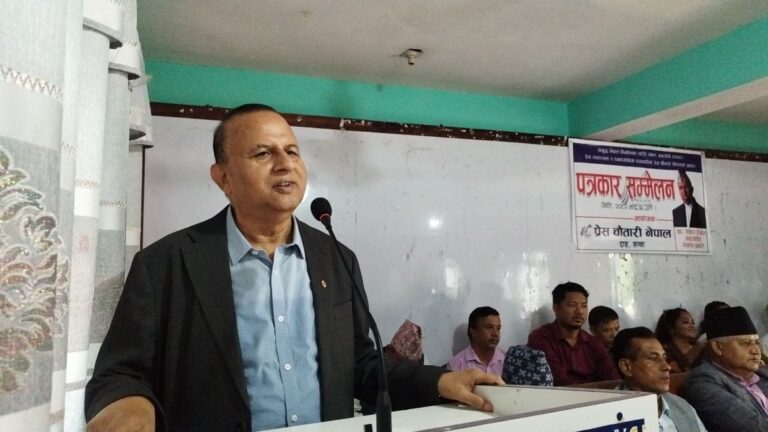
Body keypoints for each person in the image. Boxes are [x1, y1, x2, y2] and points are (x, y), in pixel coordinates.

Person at [84, 104, 503, 432]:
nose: (285, 164)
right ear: (224, 178)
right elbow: (120, 372)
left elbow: (361, 365)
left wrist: (438, 382)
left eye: (292, 151)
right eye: (263, 153)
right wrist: (127, 408)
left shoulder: (337, 258)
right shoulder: (166, 264)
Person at [680, 306, 768, 431]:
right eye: (745, 343)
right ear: (718, 347)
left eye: (757, 343)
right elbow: (752, 427)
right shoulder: (701, 383)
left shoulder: (762, 374)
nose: (755, 351)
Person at [612, 327, 707, 431]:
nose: (667, 367)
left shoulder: (681, 405)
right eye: (653, 358)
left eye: (664, 358)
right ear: (626, 367)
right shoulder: (609, 416)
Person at [527, 282, 619, 385]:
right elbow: (560, 382)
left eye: (584, 306)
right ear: (556, 308)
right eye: (572, 305)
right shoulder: (541, 338)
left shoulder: (592, 342)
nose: (579, 311)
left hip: (598, 397)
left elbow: (612, 377)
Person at [448, 306, 505, 375]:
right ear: (473, 332)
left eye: (498, 328)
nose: (495, 333)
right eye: (489, 327)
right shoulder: (456, 365)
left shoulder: (507, 360)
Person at [655, 308, 704, 373]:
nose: (692, 326)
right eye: (685, 322)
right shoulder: (663, 350)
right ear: (671, 327)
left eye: (693, 323)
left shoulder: (703, 349)